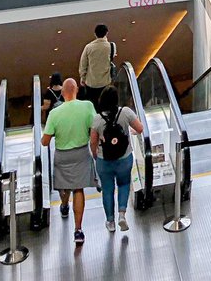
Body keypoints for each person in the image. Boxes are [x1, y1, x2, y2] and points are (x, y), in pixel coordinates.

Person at [41, 78, 97, 244]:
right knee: (78, 189)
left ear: (63, 94)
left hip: (62, 155)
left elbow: (45, 142)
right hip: (81, 152)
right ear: (76, 90)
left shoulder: (54, 113)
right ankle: (78, 230)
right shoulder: (87, 106)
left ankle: (64, 205)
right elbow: (94, 128)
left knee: (64, 185)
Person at [89, 85, 143, 234]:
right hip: (124, 158)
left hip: (104, 160)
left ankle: (110, 221)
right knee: (124, 184)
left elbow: (93, 142)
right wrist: (130, 130)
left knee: (107, 189)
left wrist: (95, 154)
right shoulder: (125, 112)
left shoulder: (97, 119)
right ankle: (122, 215)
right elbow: (140, 128)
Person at [79, 24, 115, 108]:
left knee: (92, 106)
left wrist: (83, 78)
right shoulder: (111, 46)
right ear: (106, 33)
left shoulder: (88, 47)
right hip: (105, 82)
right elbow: (111, 58)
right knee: (105, 105)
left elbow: (83, 64)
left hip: (91, 83)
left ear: (95, 34)